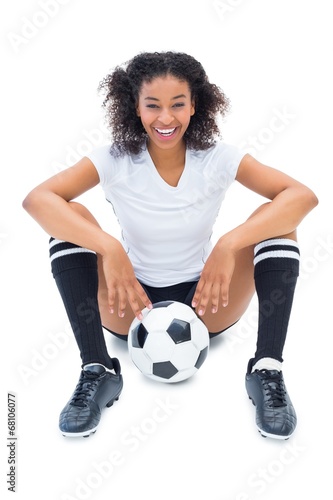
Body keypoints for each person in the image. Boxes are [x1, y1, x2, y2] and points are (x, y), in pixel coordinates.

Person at [22, 51, 318, 440]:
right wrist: (109, 248)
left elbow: (302, 196)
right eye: (153, 106)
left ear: (195, 105)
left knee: (278, 222)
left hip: (208, 301)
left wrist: (229, 245)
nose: (166, 118)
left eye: (178, 104)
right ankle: (98, 369)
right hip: (130, 302)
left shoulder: (217, 158)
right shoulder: (114, 159)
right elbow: (37, 200)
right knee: (70, 215)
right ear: (135, 107)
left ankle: (267, 370)